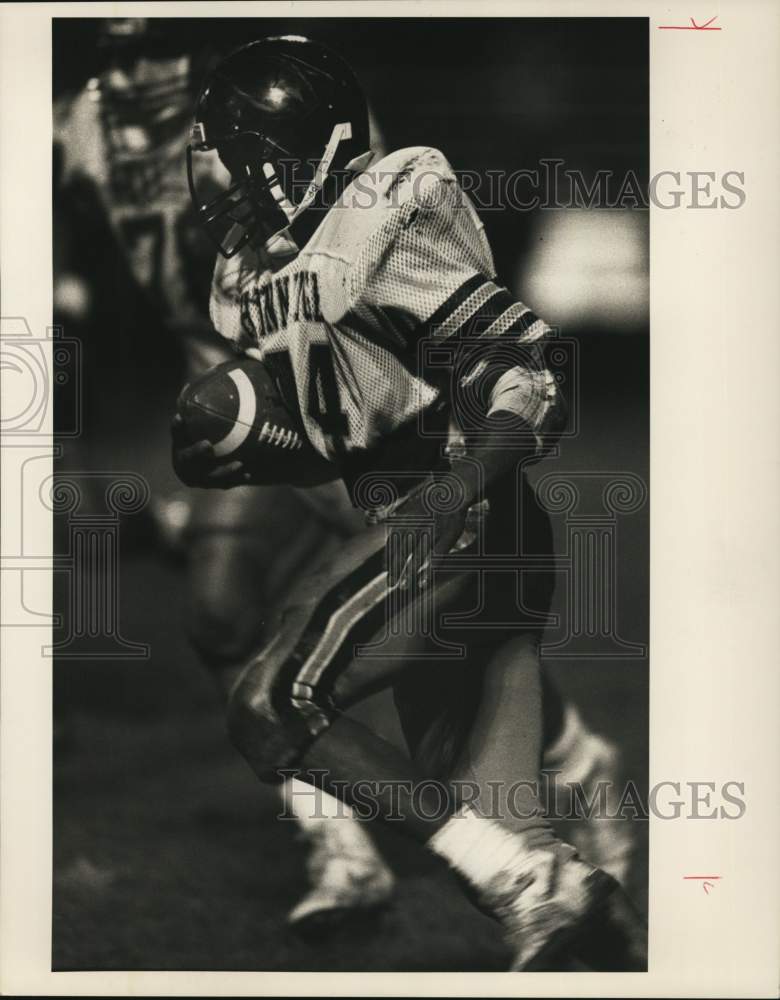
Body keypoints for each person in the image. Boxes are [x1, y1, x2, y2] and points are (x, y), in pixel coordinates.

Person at [174, 35, 645, 969]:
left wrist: (455, 489)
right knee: (510, 866)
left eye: (219, 147)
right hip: (457, 525)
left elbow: (527, 368)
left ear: (274, 152)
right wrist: (254, 452)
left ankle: (549, 886)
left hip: (458, 513)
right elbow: (354, 423)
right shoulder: (255, 272)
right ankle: (632, 952)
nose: (207, 172)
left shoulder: (385, 208)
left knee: (273, 703)